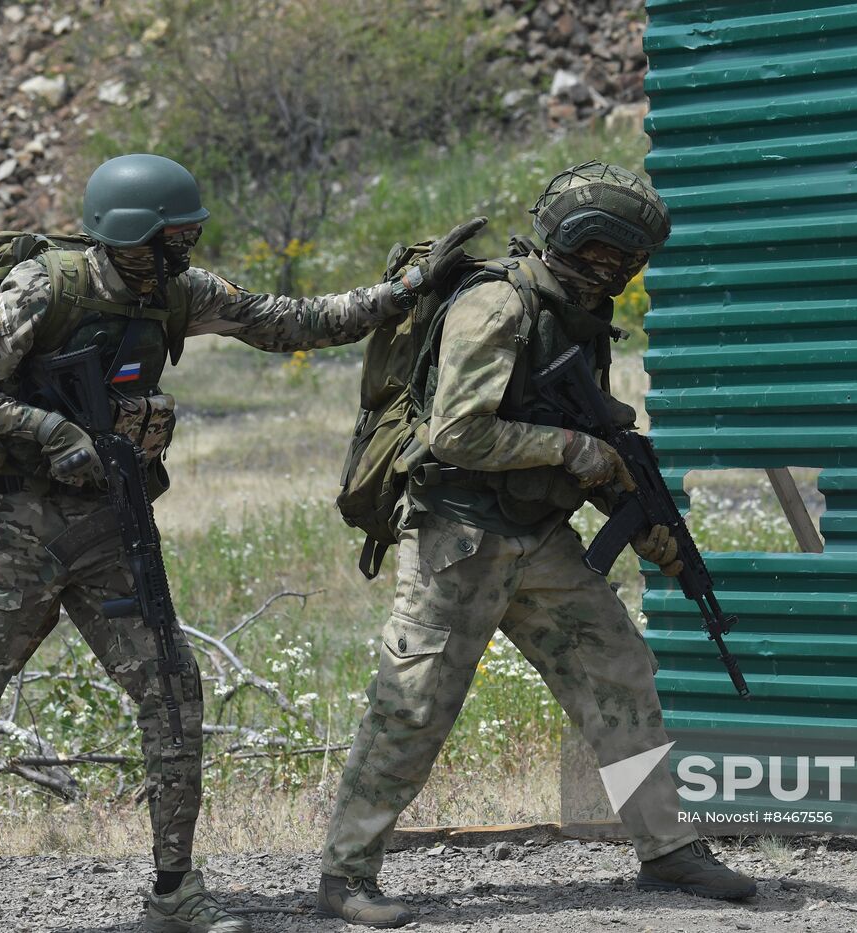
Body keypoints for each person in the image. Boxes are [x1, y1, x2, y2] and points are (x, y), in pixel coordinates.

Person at [0, 153, 483, 933]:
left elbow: (290, 321)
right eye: (172, 237)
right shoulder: (47, 288)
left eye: (189, 235)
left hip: (112, 522)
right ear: (131, 235)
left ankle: (175, 890)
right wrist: (46, 428)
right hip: (12, 526)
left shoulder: (175, 293)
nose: (185, 251)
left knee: (173, 696)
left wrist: (406, 291)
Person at [316, 161, 757, 928]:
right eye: (609, 256)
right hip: (459, 536)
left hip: (539, 536)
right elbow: (455, 432)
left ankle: (667, 847)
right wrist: (571, 451)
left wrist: (651, 529)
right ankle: (346, 875)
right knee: (413, 704)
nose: (618, 272)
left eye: (628, 261)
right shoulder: (498, 306)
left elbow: (584, 436)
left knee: (619, 668)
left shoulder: (575, 316)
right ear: (578, 242)